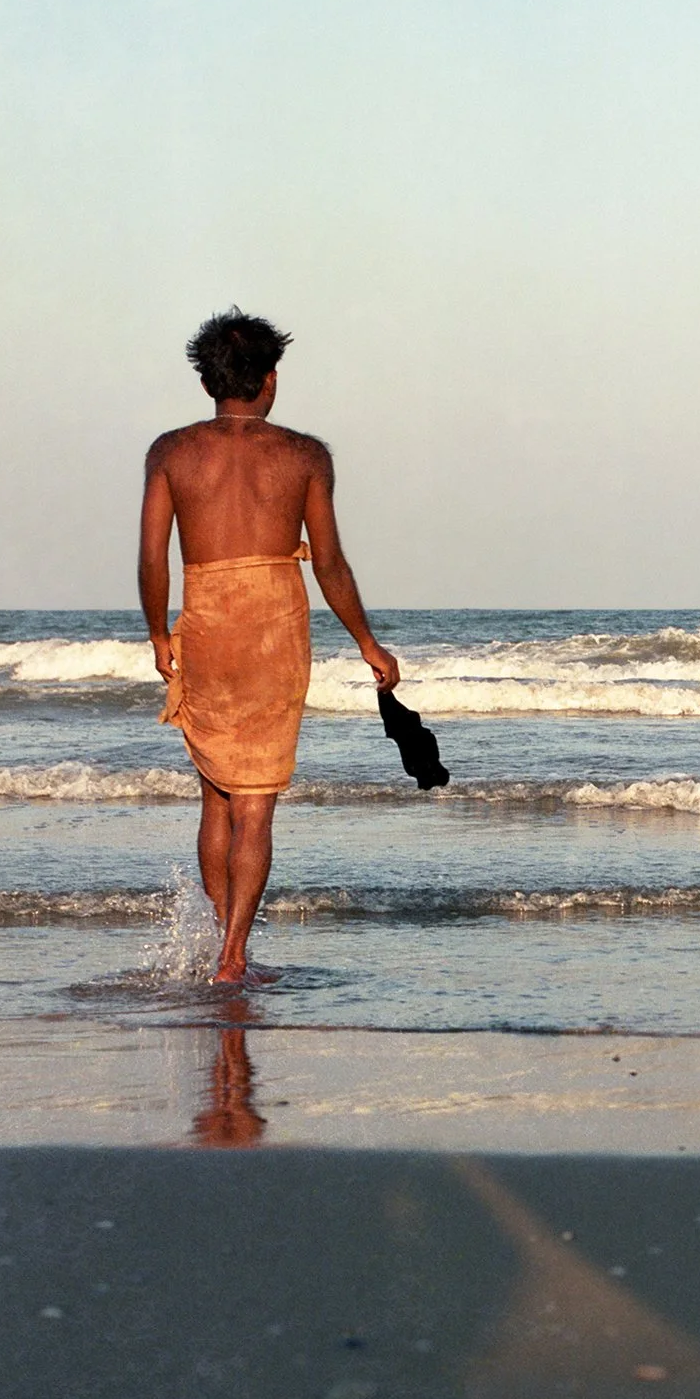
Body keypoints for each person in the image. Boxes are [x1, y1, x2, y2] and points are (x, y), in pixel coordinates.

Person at [140, 309, 400, 982]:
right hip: (273, 624)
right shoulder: (305, 456)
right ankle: (232, 955)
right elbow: (331, 565)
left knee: (216, 794)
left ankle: (221, 945)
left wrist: (157, 632)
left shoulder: (170, 452)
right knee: (255, 801)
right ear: (271, 380)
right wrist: (368, 643)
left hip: (205, 619)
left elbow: (151, 560)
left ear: (208, 382)